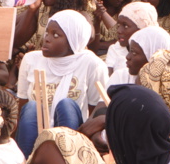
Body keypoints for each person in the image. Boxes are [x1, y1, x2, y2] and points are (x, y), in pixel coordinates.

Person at [16, 10, 108, 156]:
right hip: (35, 133)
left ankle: (68, 162)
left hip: (73, 134)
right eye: (47, 33)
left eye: (56, 35)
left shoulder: (92, 64)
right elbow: (22, 108)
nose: (47, 38)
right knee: (32, 107)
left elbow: (94, 115)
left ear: (73, 40)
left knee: (67, 105)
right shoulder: (31, 59)